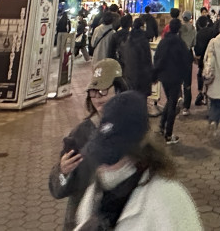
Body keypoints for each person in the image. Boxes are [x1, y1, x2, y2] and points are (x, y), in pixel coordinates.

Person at [72, 90, 203, 230]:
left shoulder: (169, 200)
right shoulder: (94, 196)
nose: (102, 165)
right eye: (99, 154)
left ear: (135, 151)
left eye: (112, 157)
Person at [49, 58, 128, 231]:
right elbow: (58, 189)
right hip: (86, 223)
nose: (98, 98)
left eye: (104, 90)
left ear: (119, 90)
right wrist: (63, 172)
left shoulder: (133, 130)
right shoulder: (80, 135)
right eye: (93, 92)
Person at [152, 19, 194, 144]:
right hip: (176, 77)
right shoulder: (180, 43)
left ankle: (161, 126)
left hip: (164, 77)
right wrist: (186, 79)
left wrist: (155, 75)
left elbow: (157, 58)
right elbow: (186, 61)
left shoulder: (163, 42)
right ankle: (168, 134)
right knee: (172, 103)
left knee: (170, 99)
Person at [119, 18, 153, 98]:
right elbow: (147, 60)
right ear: (142, 27)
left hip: (130, 74)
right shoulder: (143, 40)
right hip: (142, 76)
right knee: (141, 99)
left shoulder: (128, 39)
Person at [193, 11, 218, 107]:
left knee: (201, 75)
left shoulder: (199, 34)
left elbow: (197, 48)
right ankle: (208, 95)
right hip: (211, 58)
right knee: (210, 76)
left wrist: (198, 55)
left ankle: (201, 93)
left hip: (202, 58)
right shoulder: (212, 32)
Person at [178, 13, 197, 114]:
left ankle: (179, 98)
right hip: (188, 54)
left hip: (179, 54)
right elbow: (194, 43)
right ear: (190, 18)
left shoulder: (179, 28)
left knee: (177, 78)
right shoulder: (193, 29)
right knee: (187, 81)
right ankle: (186, 106)